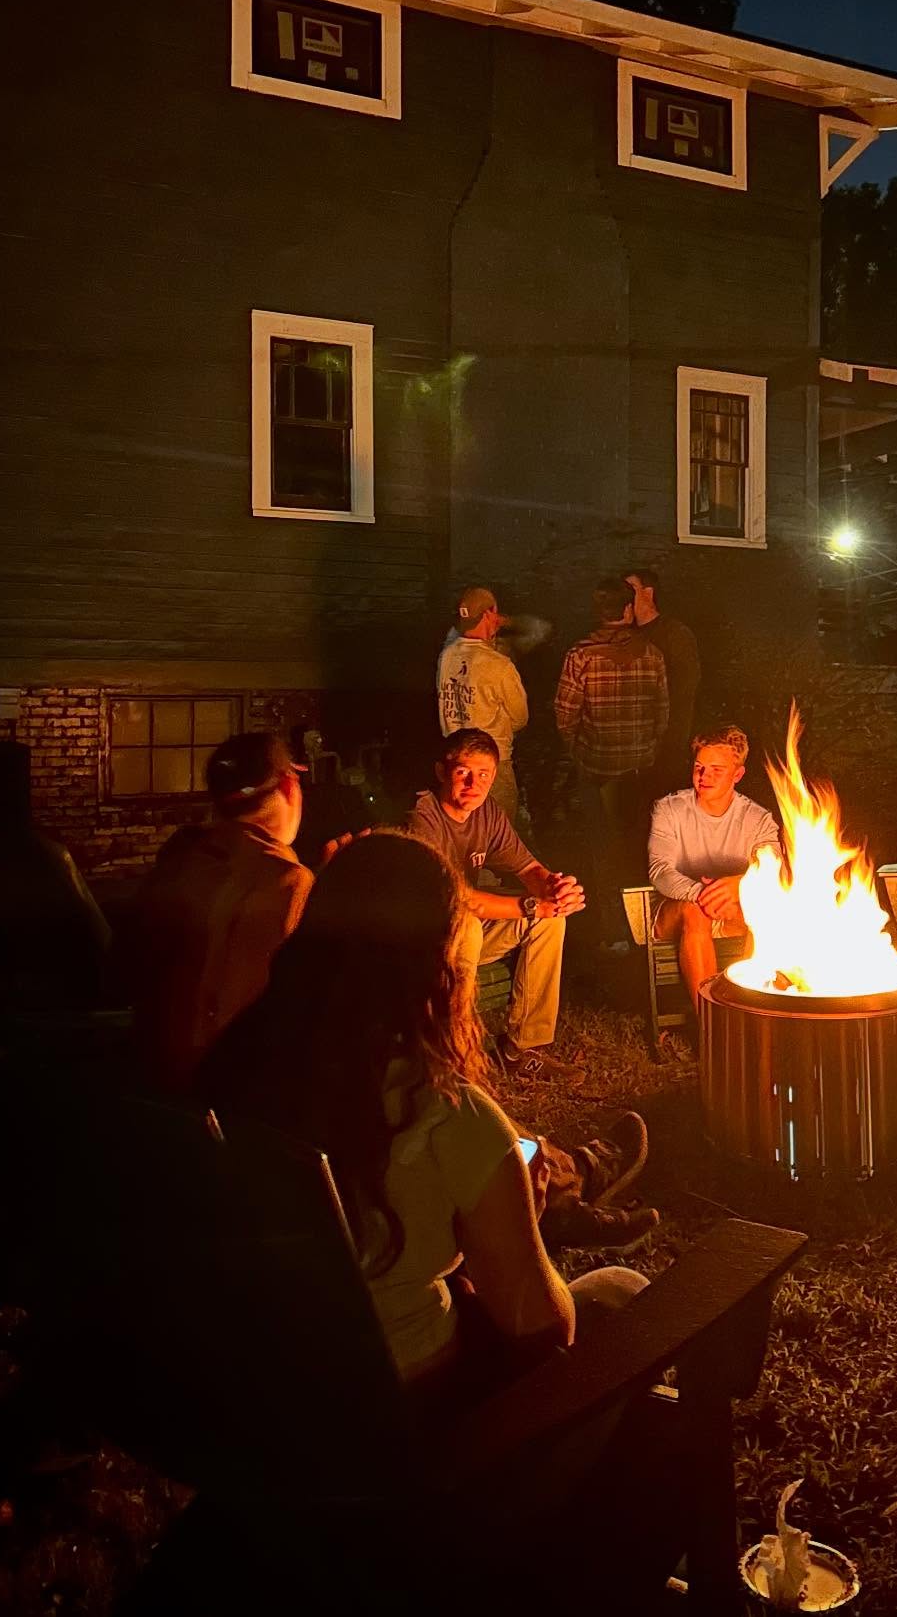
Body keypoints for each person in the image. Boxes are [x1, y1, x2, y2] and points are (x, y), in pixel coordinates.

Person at [202, 832, 650, 1406]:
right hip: (410, 1428)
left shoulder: (232, 1067)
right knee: (620, 1288)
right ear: (437, 959)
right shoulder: (441, 1111)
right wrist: (525, 1223)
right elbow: (545, 1334)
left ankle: (578, 1178)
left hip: (256, 1409)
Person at [119, 732, 317, 1091]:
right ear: (289, 786)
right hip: (220, 1085)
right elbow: (254, 1006)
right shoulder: (284, 880)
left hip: (147, 1067)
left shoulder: (184, 855)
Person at [406, 730, 585, 1083]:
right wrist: (532, 905)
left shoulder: (487, 813)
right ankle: (453, 1051)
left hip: (461, 931)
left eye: (484, 775)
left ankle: (520, 1049)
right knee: (472, 924)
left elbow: (527, 867)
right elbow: (458, 900)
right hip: (420, 940)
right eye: (463, 772)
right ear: (442, 772)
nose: (474, 783)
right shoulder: (421, 816)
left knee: (551, 921)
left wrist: (555, 888)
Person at [555, 577, 669, 948]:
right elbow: (662, 712)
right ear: (627, 610)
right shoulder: (651, 653)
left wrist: (577, 752)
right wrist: (649, 749)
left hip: (598, 771)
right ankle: (646, 931)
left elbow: (565, 714)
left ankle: (614, 934)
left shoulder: (581, 655)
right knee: (640, 848)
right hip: (640, 772)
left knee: (604, 852)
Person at [648, 724, 780, 1002]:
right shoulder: (669, 809)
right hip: (676, 911)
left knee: (765, 911)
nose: (704, 777)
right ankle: (708, 1022)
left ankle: (748, 1007)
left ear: (738, 774)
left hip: (733, 911)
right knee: (695, 912)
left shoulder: (758, 819)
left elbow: (772, 872)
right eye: (699, 767)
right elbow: (660, 871)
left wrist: (737, 887)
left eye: (716, 770)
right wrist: (701, 894)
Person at [436, 585, 529, 823]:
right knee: (497, 836)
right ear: (489, 614)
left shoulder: (446, 656)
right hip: (490, 766)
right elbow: (520, 718)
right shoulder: (499, 665)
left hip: (455, 764)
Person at [624, 567, 701, 797]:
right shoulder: (627, 636)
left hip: (666, 745)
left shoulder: (675, 634)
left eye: (630, 589)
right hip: (634, 748)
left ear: (648, 592)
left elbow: (685, 688)